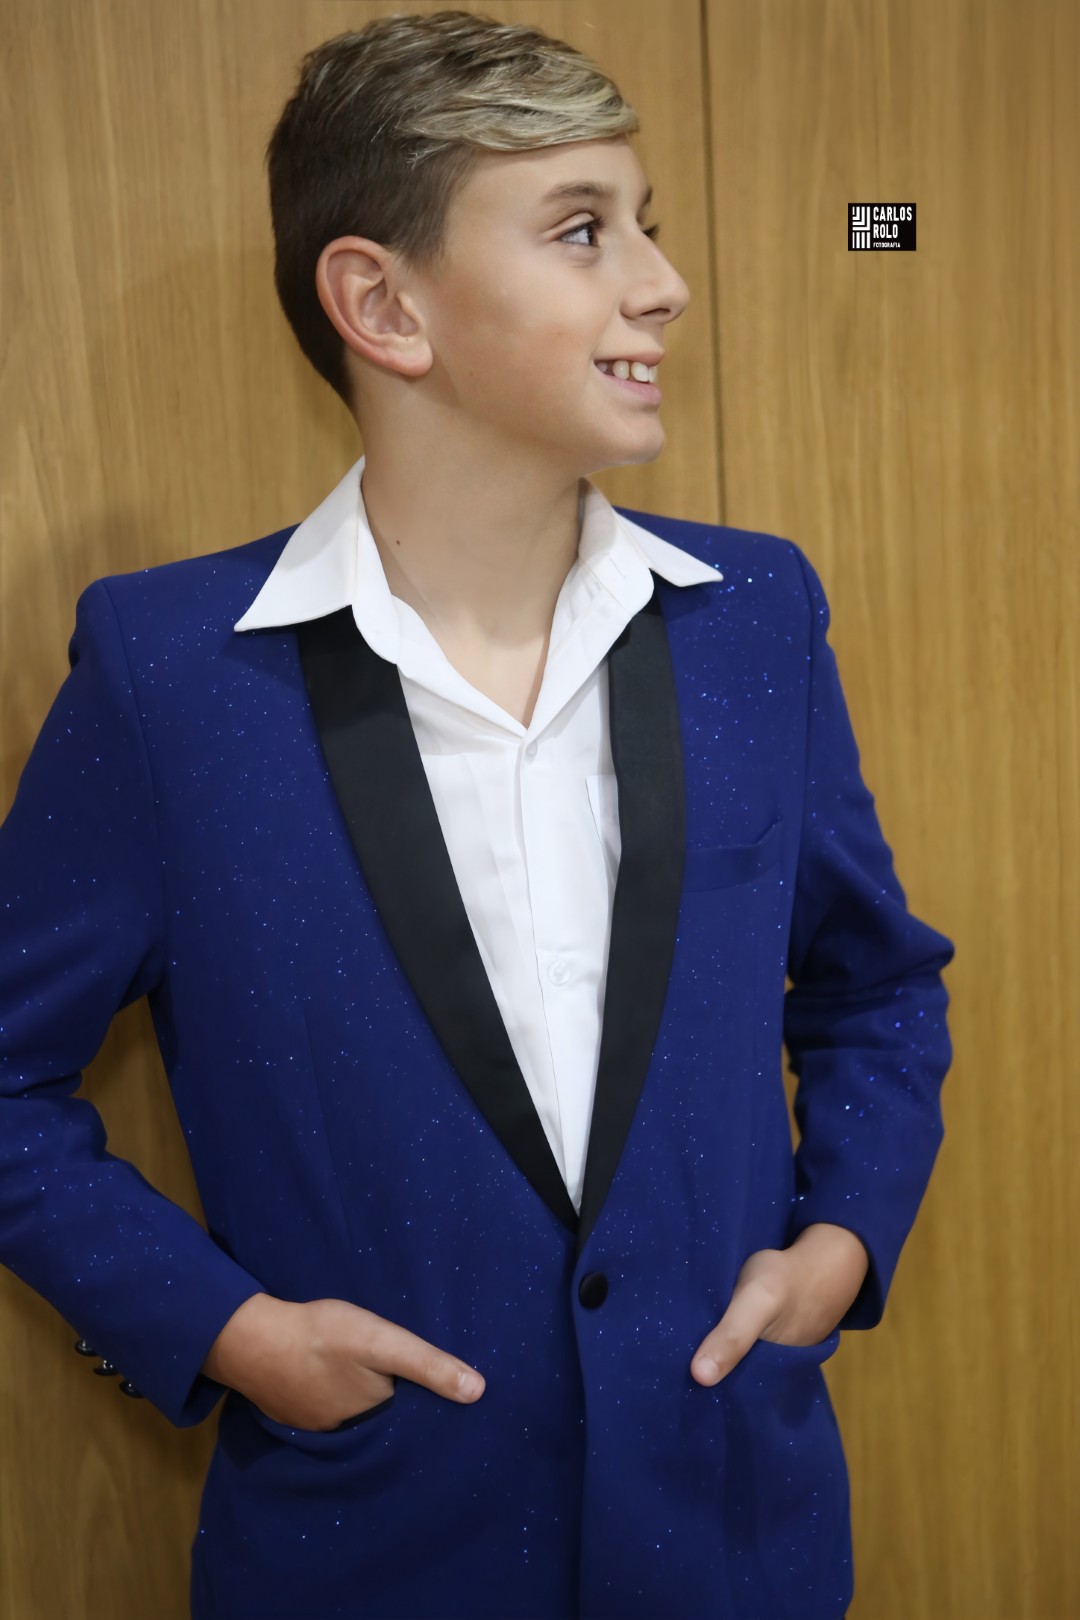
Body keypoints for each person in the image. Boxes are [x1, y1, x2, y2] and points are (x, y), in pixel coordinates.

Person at [0, 11, 954, 1619]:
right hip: (367, 1552)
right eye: (584, 230)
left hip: (735, 1540)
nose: (662, 283)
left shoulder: (755, 621)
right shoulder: (170, 679)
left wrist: (843, 1239)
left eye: (647, 224)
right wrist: (229, 1333)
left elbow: (877, 986)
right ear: (384, 305)